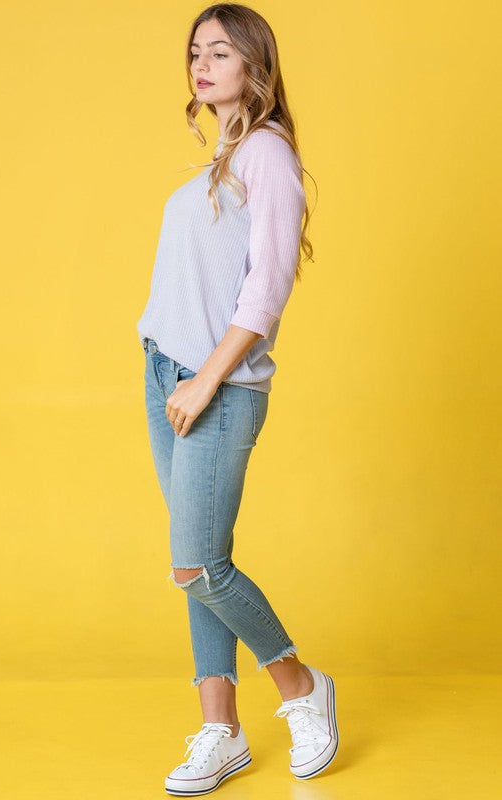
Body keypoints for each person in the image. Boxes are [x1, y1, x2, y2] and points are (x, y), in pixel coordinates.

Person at [136, 4, 339, 794]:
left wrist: (205, 378)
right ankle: (219, 730)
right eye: (195, 51)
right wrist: (171, 369)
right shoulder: (219, 158)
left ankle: (299, 686)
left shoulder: (267, 155)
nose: (201, 62)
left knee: (198, 565)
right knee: (191, 565)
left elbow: (267, 291)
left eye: (219, 51)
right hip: (165, 374)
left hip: (210, 385)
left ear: (255, 64)